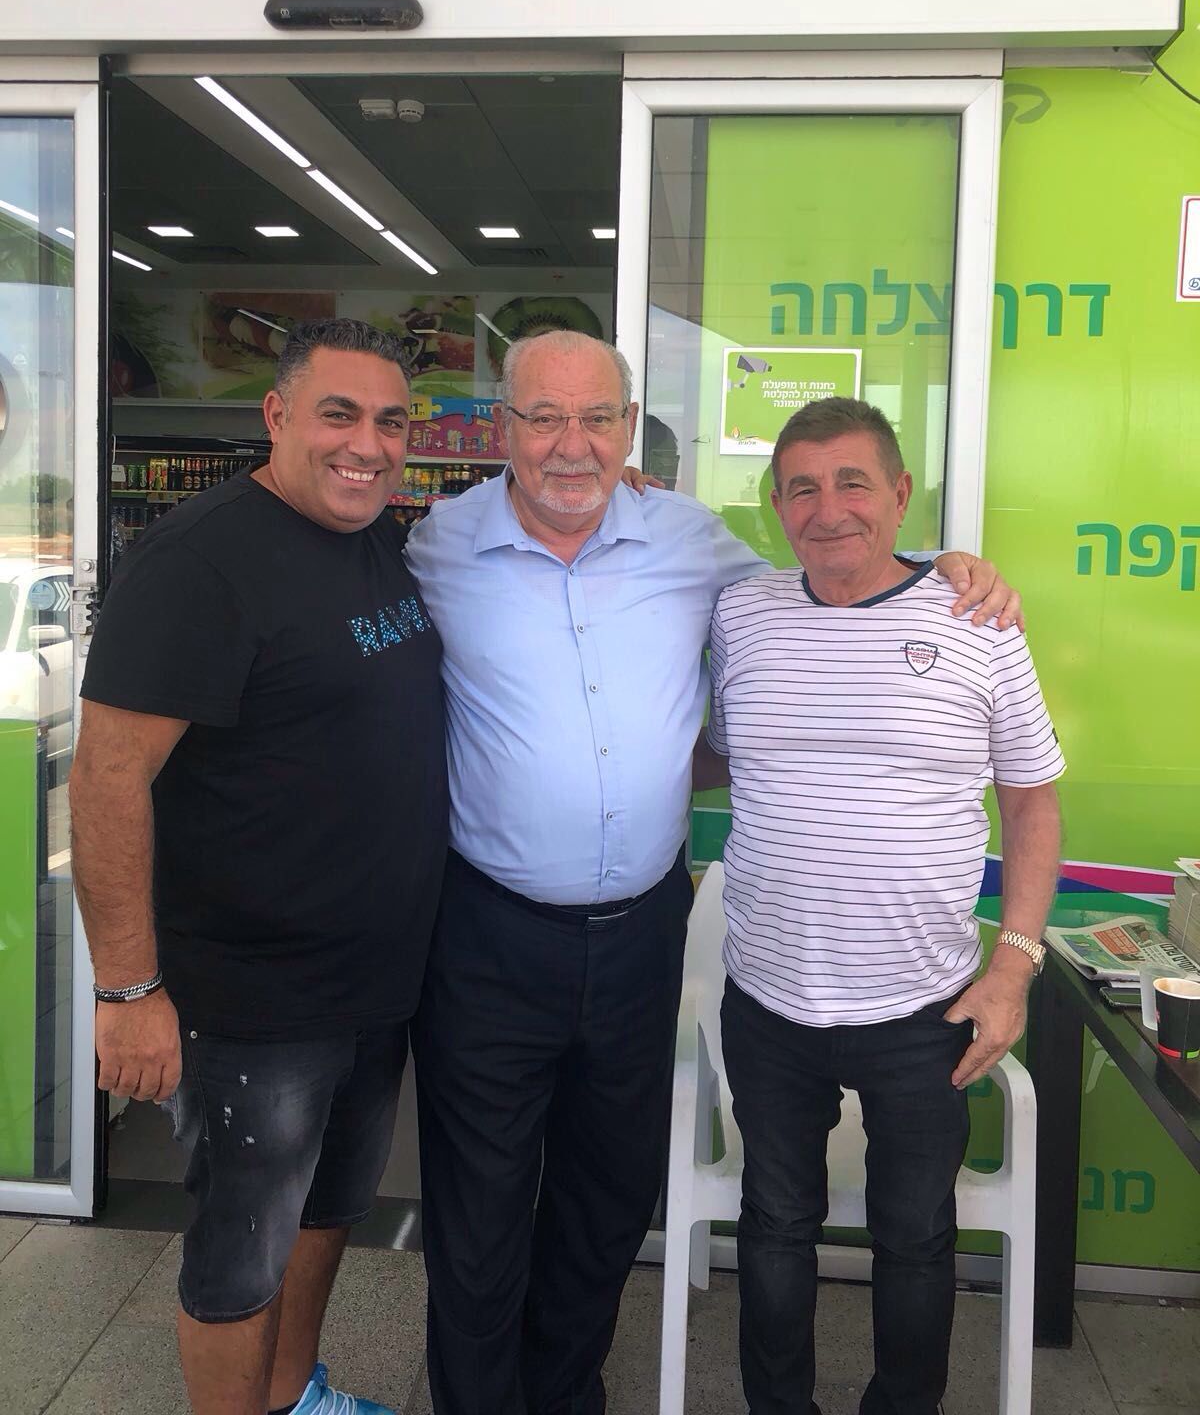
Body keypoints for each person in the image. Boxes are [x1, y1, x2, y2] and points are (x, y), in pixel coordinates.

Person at [403, 332, 1022, 1415]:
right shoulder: (435, 545)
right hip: (491, 933)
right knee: (480, 1206)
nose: (571, 444)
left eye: (597, 419)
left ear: (628, 430)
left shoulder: (694, 544)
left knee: (605, 1198)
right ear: (504, 429)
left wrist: (951, 568)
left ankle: (567, 1395)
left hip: (640, 933)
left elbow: (837, 573)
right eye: (544, 418)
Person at [69, 319, 448, 1415]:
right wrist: (127, 989)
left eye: (390, 421)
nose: (367, 444)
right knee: (241, 1250)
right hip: (251, 997)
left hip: (372, 982)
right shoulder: (199, 562)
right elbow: (106, 779)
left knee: (328, 1211)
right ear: (276, 416)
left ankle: (292, 1397)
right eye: (339, 413)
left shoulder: (378, 537)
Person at [700, 396, 1064, 1415]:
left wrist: (1014, 965)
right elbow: (718, 751)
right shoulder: (743, 613)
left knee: (914, 1239)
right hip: (767, 999)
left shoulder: (978, 621)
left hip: (924, 1007)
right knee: (775, 1226)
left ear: (901, 493)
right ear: (776, 505)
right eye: (802, 488)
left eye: (853, 482)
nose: (829, 510)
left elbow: (1033, 805)